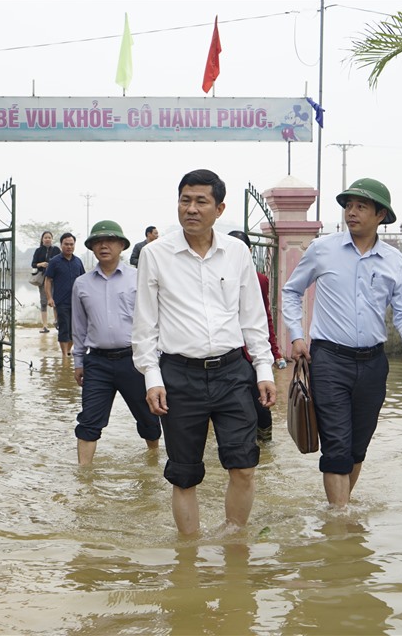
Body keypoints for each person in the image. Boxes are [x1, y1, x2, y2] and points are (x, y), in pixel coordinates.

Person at [132, 169, 276, 536]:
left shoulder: (237, 251)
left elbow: (253, 317)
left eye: (200, 201)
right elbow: (145, 324)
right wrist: (152, 378)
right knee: (184, 474)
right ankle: (190, 558)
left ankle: (234, 543)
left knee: (244, 466)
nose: (191, 209)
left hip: (232, 373)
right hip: (179, 376)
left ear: (219, 208)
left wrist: (264, 370)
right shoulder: (155, 254)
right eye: (185, 200)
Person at [281, 177, 402, 507]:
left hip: (374, 364)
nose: (351, 212)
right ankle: (340, 525)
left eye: (361, 206)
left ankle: (339, 510)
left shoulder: (394, 261)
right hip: (329, 360)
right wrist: (297, 335)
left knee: (357, 447)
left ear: (381, 215)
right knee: (336, 445)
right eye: (348, 205)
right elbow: (291, 291)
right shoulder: (322, 250)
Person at [72, 220, 161, 465]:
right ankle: (84, 478)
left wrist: (155, 360)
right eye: (98, 242)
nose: (104, 246)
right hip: (97, 363)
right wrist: (78, 362)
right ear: (91, 248)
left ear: (121, 245)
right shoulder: (82, 284)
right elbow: (78, 327)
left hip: (134, 361)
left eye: (110, 241)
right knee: (89, 421)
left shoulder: (138, 278)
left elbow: (153, 321)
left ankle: (153, 462)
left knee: (149, 418)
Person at [227, 230, 287, 444]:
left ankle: (265, 445)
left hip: (251, 351)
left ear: (249, 251)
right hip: (226, 352)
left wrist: (275, 352)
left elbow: (263, 318)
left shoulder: (259, 280)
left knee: (260, 398)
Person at [44, 232, 85, 357]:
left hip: (77, 302)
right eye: (66, 244)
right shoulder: (55, 262)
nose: (69, 247)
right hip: (61, 301)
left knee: (75, 329)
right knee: (64, 328)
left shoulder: (78, 261)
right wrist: (49, 298)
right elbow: (48, 281)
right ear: (61, 245)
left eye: (71, 244)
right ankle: (64, 355)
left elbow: (83, 281)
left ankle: (68, 351)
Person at [31, 230, 61, 333]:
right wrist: (41, 264)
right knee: (44, 301)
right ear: (42, 239)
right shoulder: (38, 251)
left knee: (55, 300)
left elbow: (61, 261)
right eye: (45, 237)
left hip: (55, 279)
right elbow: (33, 264)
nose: (47, 239)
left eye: (49, 237)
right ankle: (44, 325)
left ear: (52, 239)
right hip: (43, 278)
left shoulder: (57, 250)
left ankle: (57, 322)